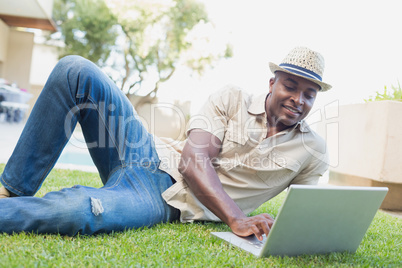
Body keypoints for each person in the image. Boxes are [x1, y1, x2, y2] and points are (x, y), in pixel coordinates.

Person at [0, 46, 331, 239]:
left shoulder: (311, 150)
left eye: (309, 94)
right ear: (272, 83)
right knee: (75, 70)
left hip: (162, 201)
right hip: (147, 154)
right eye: (290, 86)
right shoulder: (231, 98)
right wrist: (235, 217)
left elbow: (307, 211)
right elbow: (193, 158)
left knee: (78, 211)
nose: (298, 99)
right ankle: (11, 190)